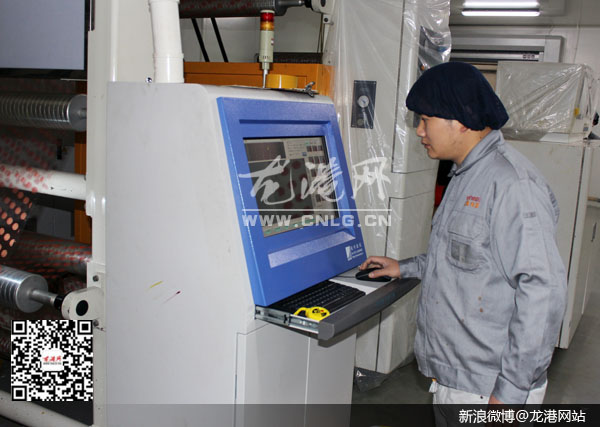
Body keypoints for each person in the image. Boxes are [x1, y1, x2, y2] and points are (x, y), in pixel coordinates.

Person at [359, 62, 567, 420]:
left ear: (460, 120)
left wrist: (510, 394)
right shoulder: (465, 175)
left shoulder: (512, 186)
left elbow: (543, 292)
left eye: (426, 120)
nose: (419, 131)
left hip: (489, 388)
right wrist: (405, 267)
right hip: (459, 379)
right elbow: (469, 258)